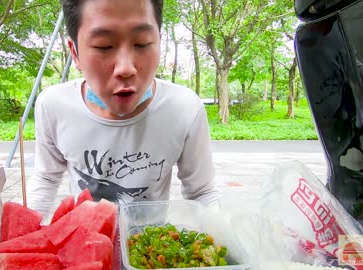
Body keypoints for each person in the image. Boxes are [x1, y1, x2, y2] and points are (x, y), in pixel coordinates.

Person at [26, 0, 220, 215]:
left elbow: (202, 192)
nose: (126, 68)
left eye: (142, 43)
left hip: (148, 246)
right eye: (103, 46)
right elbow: (46, 178)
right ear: (75, 53)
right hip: (85, 241)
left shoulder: (184, 108)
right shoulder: (54, 105)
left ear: (159, 42)